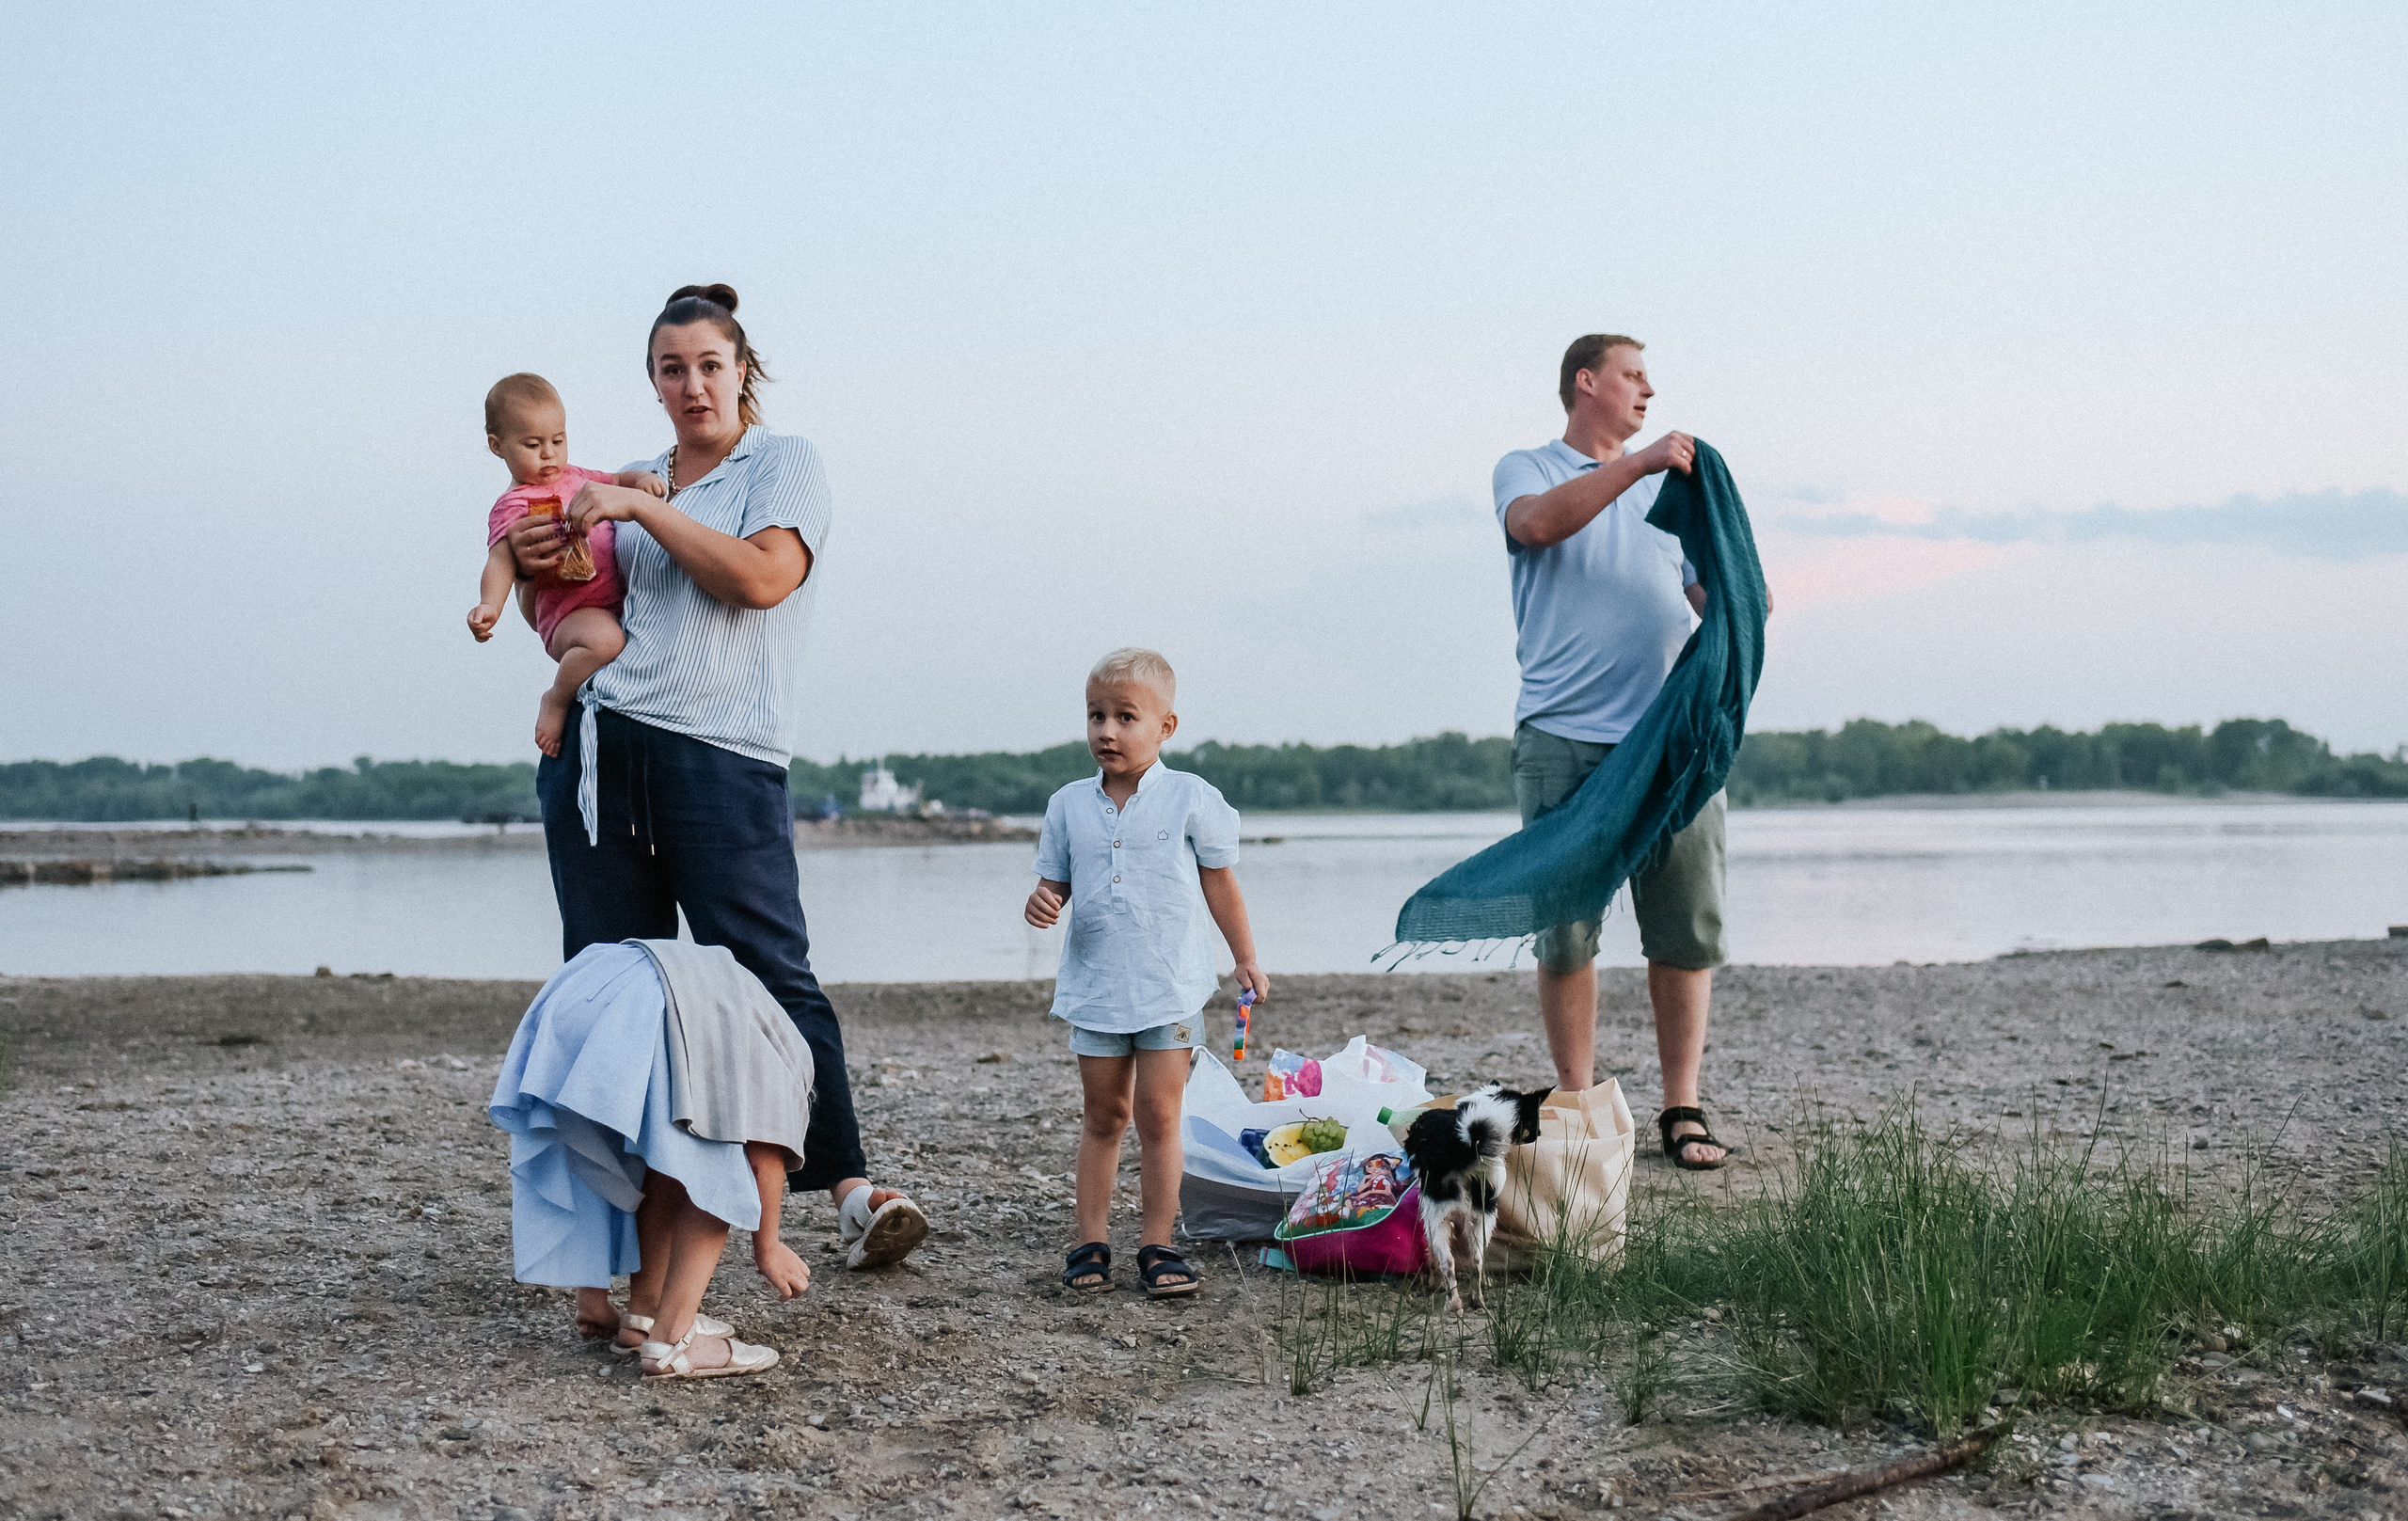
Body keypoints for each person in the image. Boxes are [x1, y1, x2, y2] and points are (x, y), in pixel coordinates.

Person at [504, 284, 930, 1304]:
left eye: (708, 364)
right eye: (669, 368)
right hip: (603, 752)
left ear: (743, 369)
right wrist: (530, 577)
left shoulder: (780, 465)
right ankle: (616, 1246)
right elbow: (568, 607)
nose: (691, 384)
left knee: (770, 973)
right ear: (651, 382)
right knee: (612, 989)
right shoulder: (627, 476)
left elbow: (760, 581)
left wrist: (643, 508)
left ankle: (852, 1189)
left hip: (723, 755)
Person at [1492, 333, 1742, 1170]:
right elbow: (1535, 529)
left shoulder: (1671, 494)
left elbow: (1703, 591)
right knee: (1564, 936)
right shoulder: (1527, 467)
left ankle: (1682, 1107)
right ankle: (1578, 1100)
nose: (1649, 389)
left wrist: (1741, 597)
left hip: (1671, 744)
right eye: (1634, 374)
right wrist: (1637, 467)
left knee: (1684, 931)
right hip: (1561, 738)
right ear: (1586, 382)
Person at [1023, 648, 1269, 1298]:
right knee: (1104, 1115)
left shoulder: (1189, 797)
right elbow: (1054, 883)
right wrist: (1042, 901)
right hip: (1097, 989)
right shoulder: (1069, 804)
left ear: (1165, 726)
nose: (1107, 730)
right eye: (1096, 715)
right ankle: (1090, 1241)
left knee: (1160, 1117)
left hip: (1171, 988)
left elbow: (1220, 883)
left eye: (1126, 716)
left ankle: (1159, 1242)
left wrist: (1244, 955)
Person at [490, 940, 813, 1380]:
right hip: (648, 995)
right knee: (718, 1172)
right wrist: (768, 1247)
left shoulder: (746, 1020)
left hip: (585, 991)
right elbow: (762, 1164)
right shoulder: (781, 1069)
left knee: (667, 1162)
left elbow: (617, 1163)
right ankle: (673, 1341)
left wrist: (593, 1296)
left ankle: (643, 1318)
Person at [467, 372, 667, 757]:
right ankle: (557, 699)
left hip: (614, 601)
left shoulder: (576, 476)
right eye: (533, 444)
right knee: (607, 642)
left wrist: (641, 480)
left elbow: (617, 480)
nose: (549, 454)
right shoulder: (513, 505)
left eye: (558, 440)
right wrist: (489, 606)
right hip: (570, 614)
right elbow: (501, 559)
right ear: (497, 446)